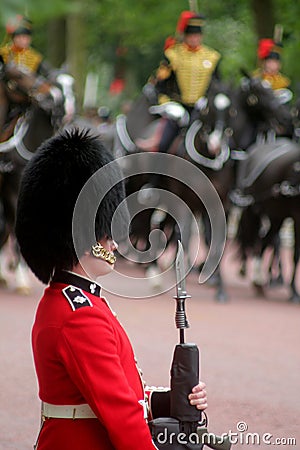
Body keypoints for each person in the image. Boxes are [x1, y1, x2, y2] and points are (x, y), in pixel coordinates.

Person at [15, 128, 207, 450]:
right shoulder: (79, 316)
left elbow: (118, 393)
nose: (114, 243)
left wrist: (169, 400)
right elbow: (123, 420)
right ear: (85, 238)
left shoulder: (77, 303)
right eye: (106, 234)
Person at [139, 12, 221, 197]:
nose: (194, 39)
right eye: (191, 35)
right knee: (164, 142)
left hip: (202, 110)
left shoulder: (212, 57)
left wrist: (207, 100)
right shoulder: (172, 55)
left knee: (221, 140)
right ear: (185, 36)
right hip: (177, 108)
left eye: (197, 35)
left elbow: (217, 84)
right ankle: (154, 183)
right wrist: (169, 105)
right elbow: (159, 86)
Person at [0, 15, 54, 135]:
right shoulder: (4, 54)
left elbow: (47, 75)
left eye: (26, 37)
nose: (23, 40)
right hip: (8, 95)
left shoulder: (36, 58)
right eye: (19, 37)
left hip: (29, 97)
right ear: (13, 38)